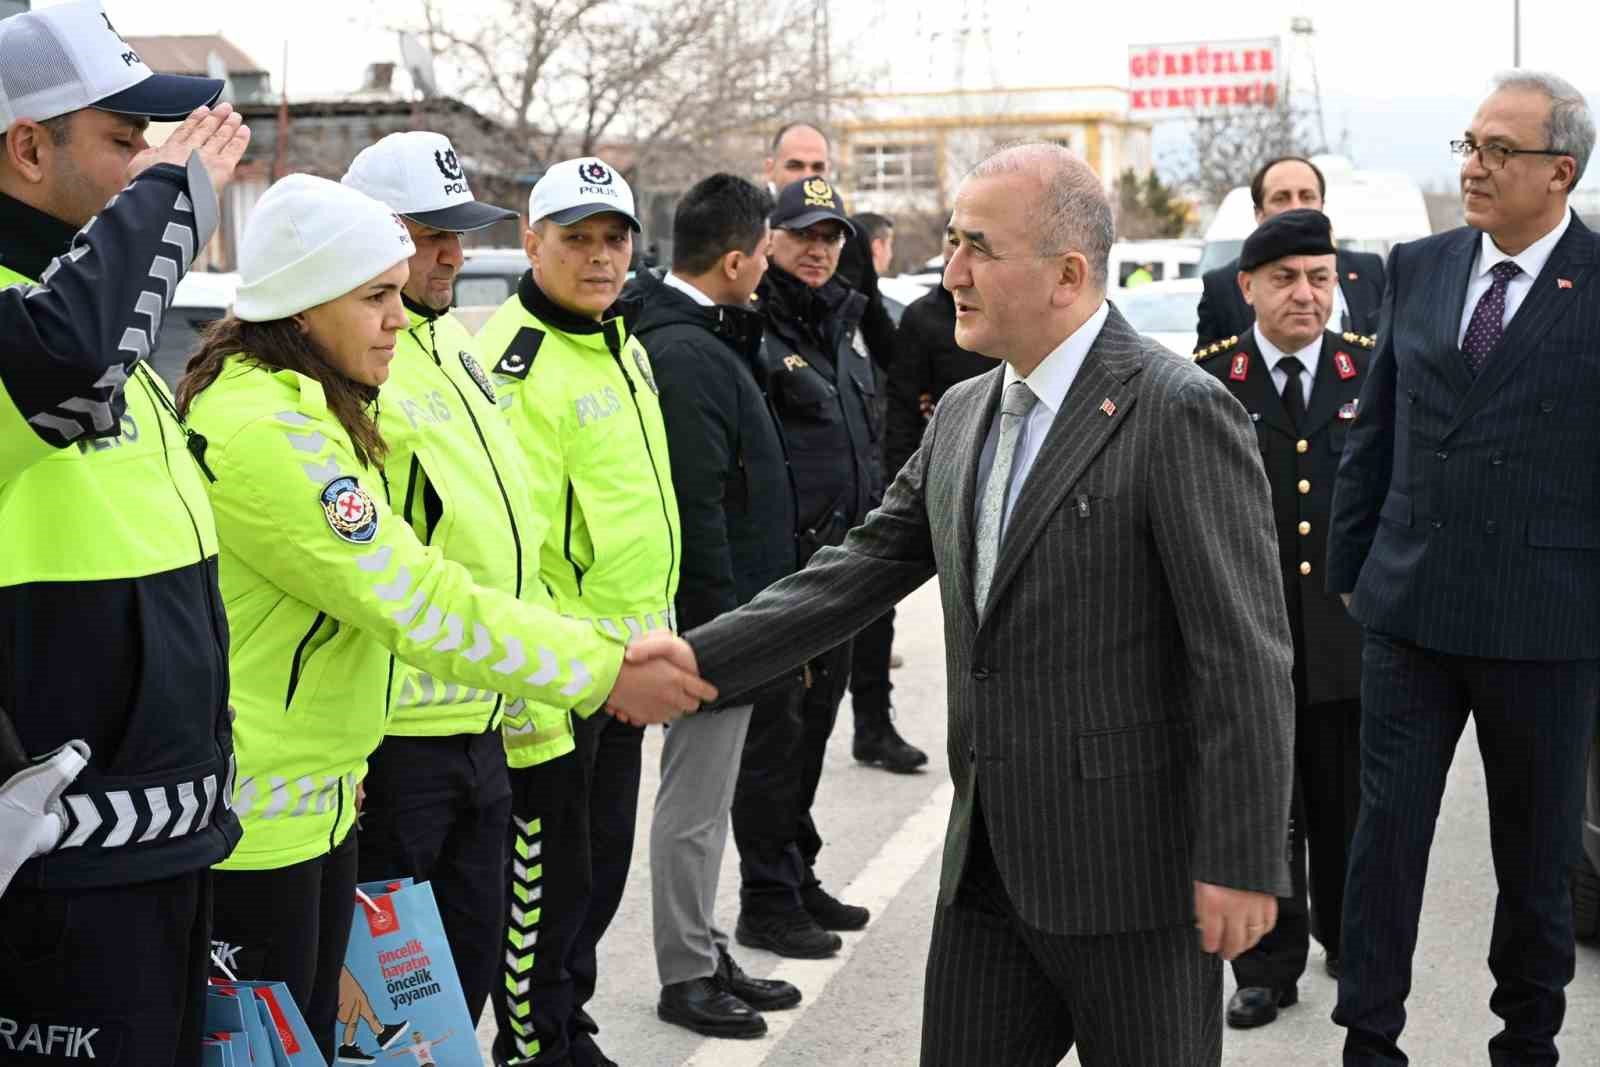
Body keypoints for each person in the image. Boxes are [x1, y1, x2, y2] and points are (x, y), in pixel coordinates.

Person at [662, 142, 1295, 1066]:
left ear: (1068, 274)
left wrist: (1241, 856)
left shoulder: (1175, 410)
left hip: (1132, 886)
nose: (950, 271)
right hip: (986, 877)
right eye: (953, 243)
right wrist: (695, 662)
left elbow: (1243, 655)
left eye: (978, 249)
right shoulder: (963, 414)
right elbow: (859, 566)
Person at [176, 174, 709, 1058]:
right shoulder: (268, 432)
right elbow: (418, 597)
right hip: (260, 827)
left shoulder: (307, 403)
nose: (399, 317)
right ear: (304, 306)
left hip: (315, 803)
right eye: (375, 295)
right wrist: (603, 664)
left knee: (370, 1032)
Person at [1327, 71, 1600, 1067]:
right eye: (1469, 145)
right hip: (1411, 611)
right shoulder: (1423, 264)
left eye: (1498, 150)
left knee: (1534, 861)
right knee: (1383, 843)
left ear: (1557, 171)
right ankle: (1369, 1038)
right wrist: (1352, 568)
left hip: (1548, 623)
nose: (1474, 166)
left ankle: (1525, 1041)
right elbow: (1377, 428)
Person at [0, 4, 253, 1063]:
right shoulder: (54, 329)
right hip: (54, 868)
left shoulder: (114, 335)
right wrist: (171, 198)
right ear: (26, 146)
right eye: (122, 139)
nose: (147, 161)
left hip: (162, 847)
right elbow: (63, 367)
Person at [476, 157, 682, 1067]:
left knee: (596, 870)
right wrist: (547, 680)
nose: (601, 258)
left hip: (629, 661)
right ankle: (534, 1044)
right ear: (532, 241)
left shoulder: (620, 342)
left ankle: (570, 1017)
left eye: (615, 238)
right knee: (547, 884)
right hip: (561, 675)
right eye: (577, 239)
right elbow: (509, 548)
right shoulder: (511, 367)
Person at [339, 129, 526, 1025]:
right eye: (429, 232)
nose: (452, 251)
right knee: (393, 1003)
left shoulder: (453, 344)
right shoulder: (359, 363)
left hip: (481, 718)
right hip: (400, 738)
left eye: (462, 230)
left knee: (470, 977)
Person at [626, 174, 806, 1039]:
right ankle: (685, 973)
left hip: (732, 621)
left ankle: (701, 945)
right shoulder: (689, 353)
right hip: (713, 629)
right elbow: (697, 506)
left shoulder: (704, 336)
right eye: (766, 248)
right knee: (693, 811)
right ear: (735, 259)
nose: (769, 263)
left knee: (708, 802)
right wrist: (719, 642)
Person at [1195, 209, 1368, 1030]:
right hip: (1248, 639)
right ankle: (1265, 964)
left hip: (1344, 637)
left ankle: (1346, 935)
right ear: (1248, 288)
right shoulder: (1209, 384)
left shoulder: (1368, 373)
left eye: (1320, 278)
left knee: (1346, 799)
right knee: (1267, 801)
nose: (1306, 295)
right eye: (1287, 279)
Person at [732, 175, 879, 959]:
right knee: (775, 744)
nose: (818, 250)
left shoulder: (843, 327)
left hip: (845, 575)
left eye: (831, 237)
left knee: (813, 736)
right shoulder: (755, 332)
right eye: (803, 236)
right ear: (770, 241)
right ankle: (767, 896)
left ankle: (798, 871)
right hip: (788, 578)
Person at [765, 123, 925, 773]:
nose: (819, 248)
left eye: (819, 161)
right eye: (796, 162)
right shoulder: (751, 262)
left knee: (867, 618)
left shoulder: (844, 262)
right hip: (788, 528)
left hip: (853, 482)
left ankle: (873, 722)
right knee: (778, 733)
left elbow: (878, 342)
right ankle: (777, 871)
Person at [1194, 156, 1386, 351]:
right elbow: (1206, 376)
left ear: (1322, 205)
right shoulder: (1221, 286)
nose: (1296, 207)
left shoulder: (1369, 270)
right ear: (1258, 213)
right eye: (1281, 198)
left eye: (1307, 196)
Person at [883, 247, 993, 480]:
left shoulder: (1009, 313)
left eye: (972, 242)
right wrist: (902, 478)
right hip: (944, 464)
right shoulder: (921, 316)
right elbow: (902, 405)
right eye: (954, 239)